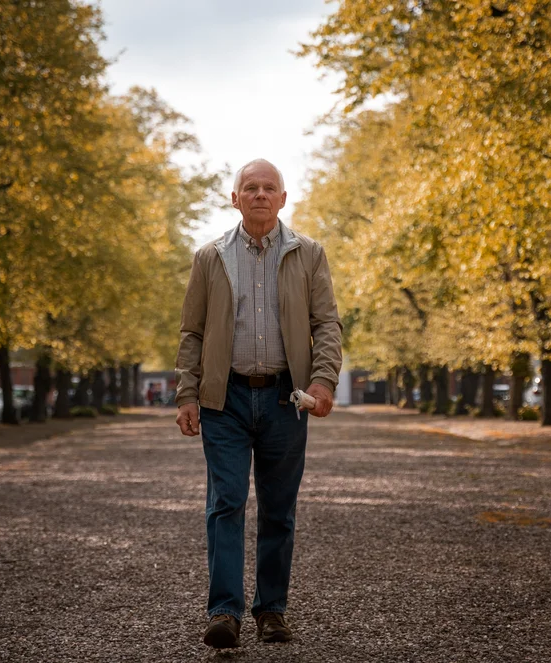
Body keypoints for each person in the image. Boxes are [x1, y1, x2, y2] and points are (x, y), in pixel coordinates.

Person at [175, 158, 342, 649]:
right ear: (235, 198)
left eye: (270, 188)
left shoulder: (308, 253)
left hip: (287, 399)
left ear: (284, 199)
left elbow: (326, 324)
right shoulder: (210, 256)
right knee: (225, 504)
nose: (261, 194)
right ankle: (224, 612)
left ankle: (272, 611)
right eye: (251, 187)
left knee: (278, 510)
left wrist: (324, 380)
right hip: (223, 399)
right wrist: (187, 392)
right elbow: (193, 331)